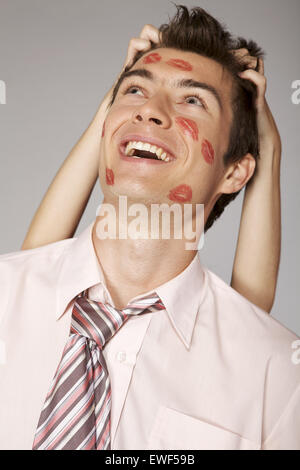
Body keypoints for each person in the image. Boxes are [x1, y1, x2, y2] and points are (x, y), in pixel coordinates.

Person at [0, 5, 299, 450]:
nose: (150, 112)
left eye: (192, 99)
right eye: (136, 91)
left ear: (236, 172)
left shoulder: (277, 377)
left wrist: (268, 152)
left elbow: (246, 336)